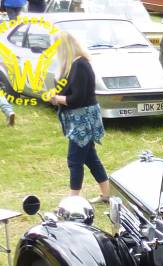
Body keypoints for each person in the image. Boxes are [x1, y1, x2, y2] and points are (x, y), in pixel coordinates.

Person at [49, 31, 110, 203]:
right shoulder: (71, 65)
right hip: (78, 118)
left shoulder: (80, 65)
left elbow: (77, 98)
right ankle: (106, 194)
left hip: (83, 120)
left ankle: (73, 201)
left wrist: (57, 98)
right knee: (90, 157)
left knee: (74, 159)